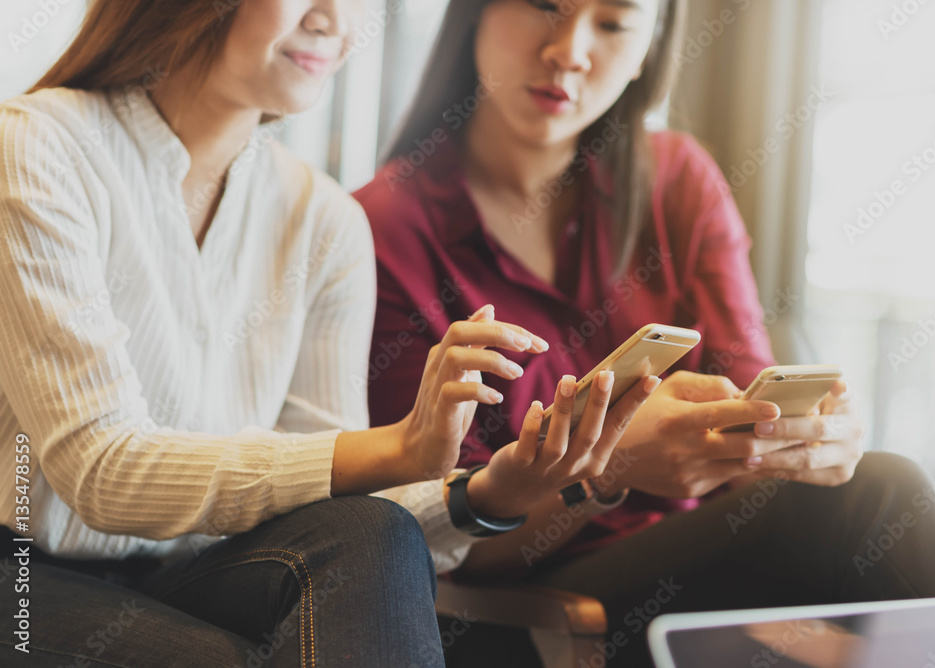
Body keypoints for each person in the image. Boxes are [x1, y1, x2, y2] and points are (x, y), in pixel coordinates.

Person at [0, 1, 655, 665]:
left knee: (370, 531)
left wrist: (486, 494)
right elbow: (101, 470)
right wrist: (397, 447)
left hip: (191, 573)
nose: (334, 21)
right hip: (26, 577)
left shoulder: (325, 219)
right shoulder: (35, 147)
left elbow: (328, 498)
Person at [353, 0, 935, 666]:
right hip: (524, 611)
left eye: (612, 23)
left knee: (862, 496)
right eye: (544, 5)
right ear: (474, 15)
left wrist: (806, 445)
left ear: (648, 52)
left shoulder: (678, 182)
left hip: (701, 572)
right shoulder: (383, 229)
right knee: (876, 499)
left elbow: (754, 416)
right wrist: (607, 470)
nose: (570, 50)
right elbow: (429, 532)